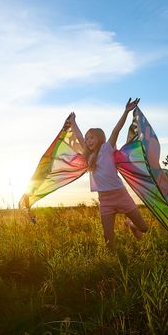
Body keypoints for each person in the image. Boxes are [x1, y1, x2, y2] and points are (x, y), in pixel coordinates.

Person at [69, 98, 148, 249]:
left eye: (91, 137)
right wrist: (73, 122)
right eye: (87, 139)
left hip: (121, 195)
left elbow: (116, 130)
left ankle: (131, 224)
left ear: (99, 138)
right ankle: (115, 261)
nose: (88, 140)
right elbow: (79, 137)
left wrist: (126, 111)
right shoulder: (88, 157)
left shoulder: (107, 148)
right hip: (105, 200)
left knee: (144, 228)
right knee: (108, 239)